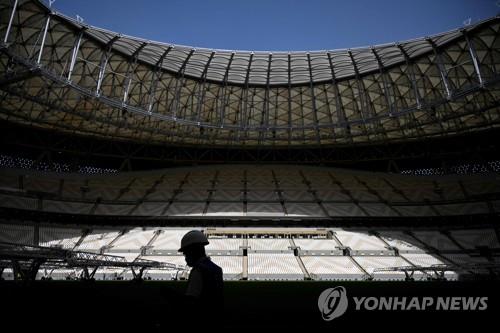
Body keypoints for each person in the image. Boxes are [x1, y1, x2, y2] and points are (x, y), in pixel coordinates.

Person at [178, 230, 224, 314]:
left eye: (186, 253)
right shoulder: (217, 269)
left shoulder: (198, 270)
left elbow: (190, 302)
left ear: (193, 250)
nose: (185, 258)